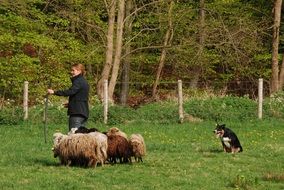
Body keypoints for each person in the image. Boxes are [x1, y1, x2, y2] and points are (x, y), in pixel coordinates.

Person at [47, 63, 89, 131]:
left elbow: (70, 92)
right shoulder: (84, 81)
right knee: (81, 138)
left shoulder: (78, 81)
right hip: (83, 113)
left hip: (77, 114)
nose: (71, 72)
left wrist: (54, 92)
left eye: (73, 70)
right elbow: (80, 97)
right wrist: (71, 104)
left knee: (74, 137)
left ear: (79, 71)